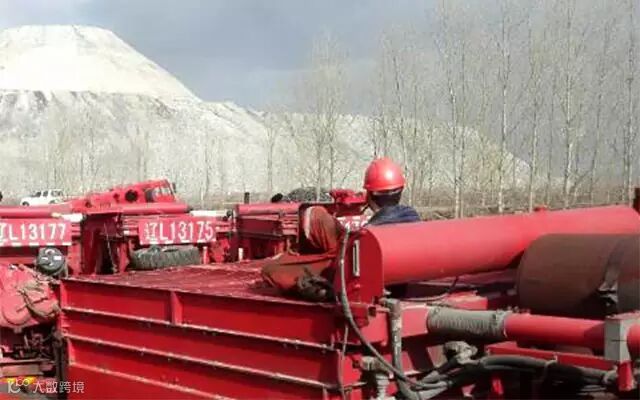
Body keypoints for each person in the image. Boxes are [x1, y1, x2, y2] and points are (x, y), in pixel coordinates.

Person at [261, 157, 420, 301]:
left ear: (370, 195)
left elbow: (348, 263)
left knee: (272, 270)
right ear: (400, 190)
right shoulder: (413, 219)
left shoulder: (367, 237)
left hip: (348, 272)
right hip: (393, 284)